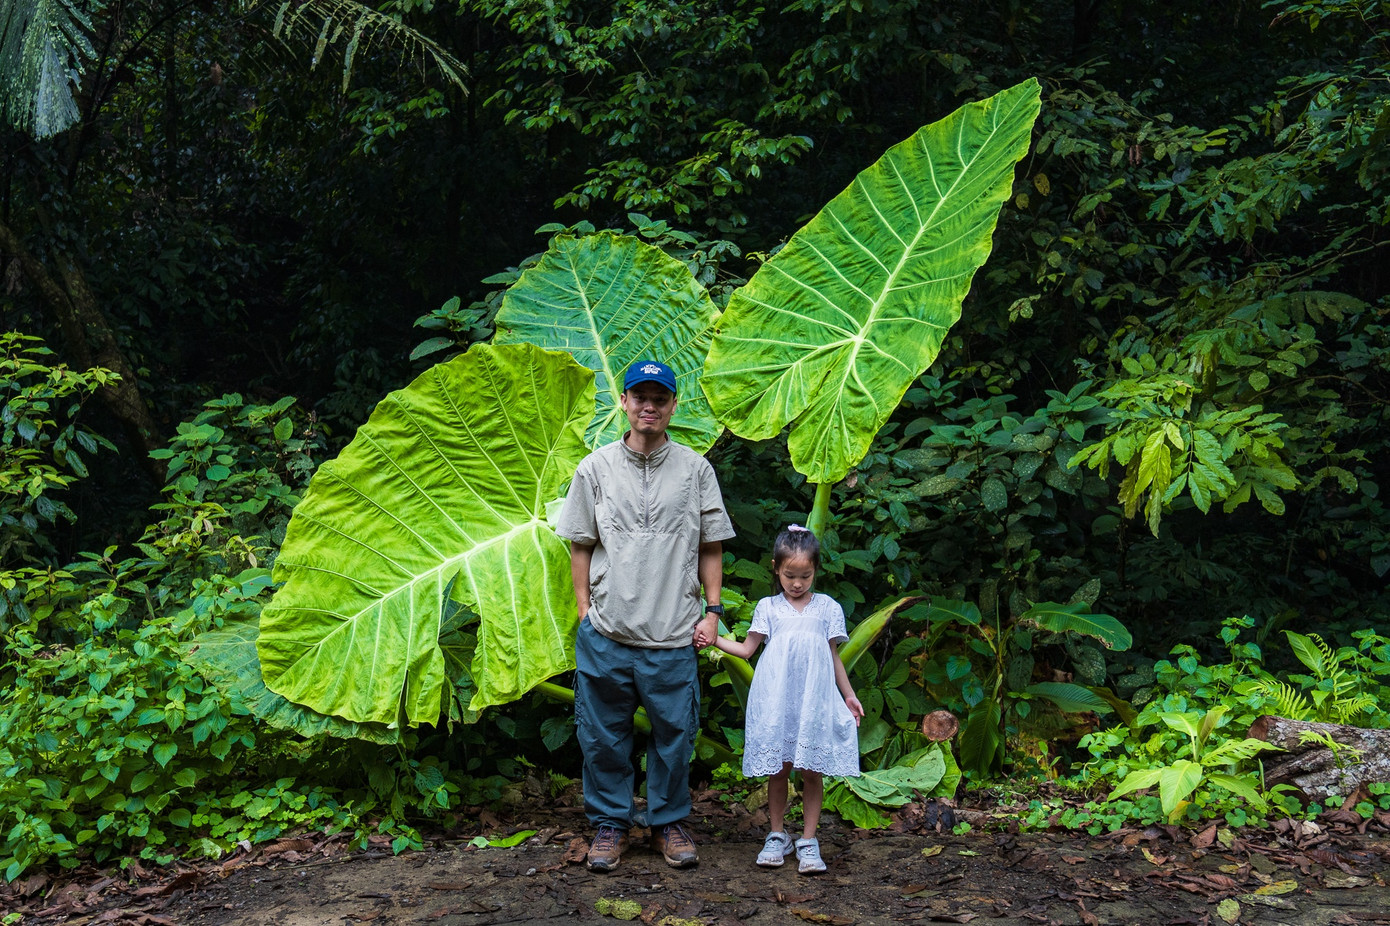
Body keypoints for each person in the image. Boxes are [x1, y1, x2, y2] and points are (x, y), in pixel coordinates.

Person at [556, 359, 735, 872]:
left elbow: (711, 545)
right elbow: (581, 543)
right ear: (624, 402)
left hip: (674, 632)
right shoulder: (595, 469)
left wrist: (713, 612)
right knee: (602, 737)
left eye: (659, 398)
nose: (649, 407)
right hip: (608, 631)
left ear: (674, 405)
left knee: (675, 737)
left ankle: (667, 824)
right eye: (640, 397)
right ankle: (611, 825)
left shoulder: (696, 470)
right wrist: (584, 609)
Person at [711, 525, 863, 874]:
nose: (797, 583)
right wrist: (714, 639)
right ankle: (777, 834)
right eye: (789, 575)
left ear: (816, 571)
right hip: (776, 699)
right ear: (776, 568)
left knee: (811, 770)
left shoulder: (827, 608)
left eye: (805, 576)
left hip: (813, 701)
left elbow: (833, 656)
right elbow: (746, 650)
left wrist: (849, 696)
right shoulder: (768, 607)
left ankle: (808, 840)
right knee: (778, 769)